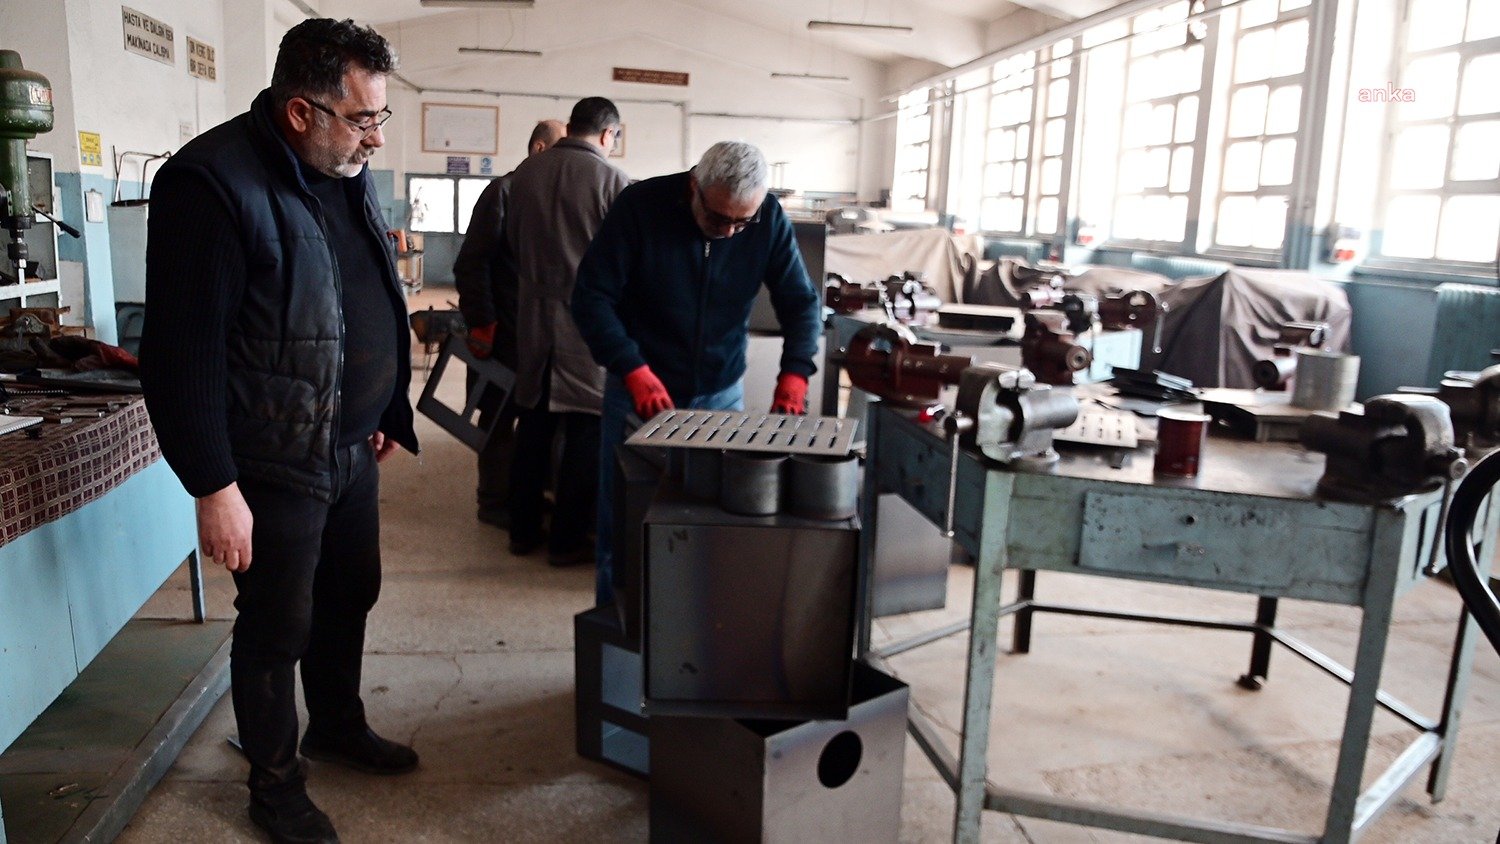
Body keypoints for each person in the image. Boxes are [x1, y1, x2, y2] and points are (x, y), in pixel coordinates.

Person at [140, 19, 417, 844]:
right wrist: (213, 487)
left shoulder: (343, 166)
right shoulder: (210, 182)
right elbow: (179, 354)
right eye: (362, 117)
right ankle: (275, 783)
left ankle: (336, 723)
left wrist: (383, 406)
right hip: (270, 459)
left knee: (348, 595)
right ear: (302, 111)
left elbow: (357, 288)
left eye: (379, 116)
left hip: (347, 445)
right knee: (276, 627)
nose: (374, 136)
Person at [572, 140, 821, 603]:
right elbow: (591, 297)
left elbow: (801, 301)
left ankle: (699, 628)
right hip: (639, 393)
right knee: (625, 522)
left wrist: (796, 373)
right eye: (717, 219)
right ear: (694, 187)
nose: (728, 233)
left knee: (713, 520)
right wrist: (631, 367)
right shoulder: (640, 208)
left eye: (741, 223)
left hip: (720, 394)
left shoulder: (767, 220)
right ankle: (617, 632)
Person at [503, 97, 630, 566]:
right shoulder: (615, 182)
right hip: (587, 323)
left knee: (532, 427)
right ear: (607, 134)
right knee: (583, 433)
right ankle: (565, 542)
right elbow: (624, 263)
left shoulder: (526, 174)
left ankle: (521, 531)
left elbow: (513, 242)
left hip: (534, 317)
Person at [452, 118, 566, 528]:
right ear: (538, 149)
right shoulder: (502, 191)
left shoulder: (548, 195)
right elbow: (471, 262)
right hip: (502, 333)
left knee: (537, 421)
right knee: (498, 421)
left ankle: (528, 495)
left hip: (539, 336)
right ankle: (493, 501)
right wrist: (482, 324)